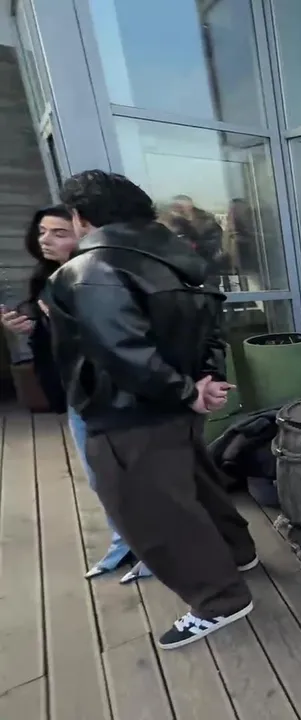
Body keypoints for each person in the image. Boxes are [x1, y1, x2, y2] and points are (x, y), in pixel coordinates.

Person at [44, 170, 257, 650]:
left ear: (80, 217)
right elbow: (210, 330)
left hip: (129, 413)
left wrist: (186, 392)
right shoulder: (179, 259)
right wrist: (202, 385)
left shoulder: (90, 270)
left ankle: (219, 598)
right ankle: (237, 553)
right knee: (197, 485)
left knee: (152, 511)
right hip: (179, 403)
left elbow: (122, 352)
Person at [2, 205, 155, 582]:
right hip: (77, 392)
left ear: (85, 233)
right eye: (42, 231)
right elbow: (58, 345)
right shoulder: (47, 279)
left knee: (134, 476)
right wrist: (32, 329)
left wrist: (63, 321)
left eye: (59, 232)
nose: (46, 240)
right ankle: (125, 542)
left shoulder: (100, 277)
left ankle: (155, 548)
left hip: (114, 394)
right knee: (99, 476)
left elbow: (121, 341)